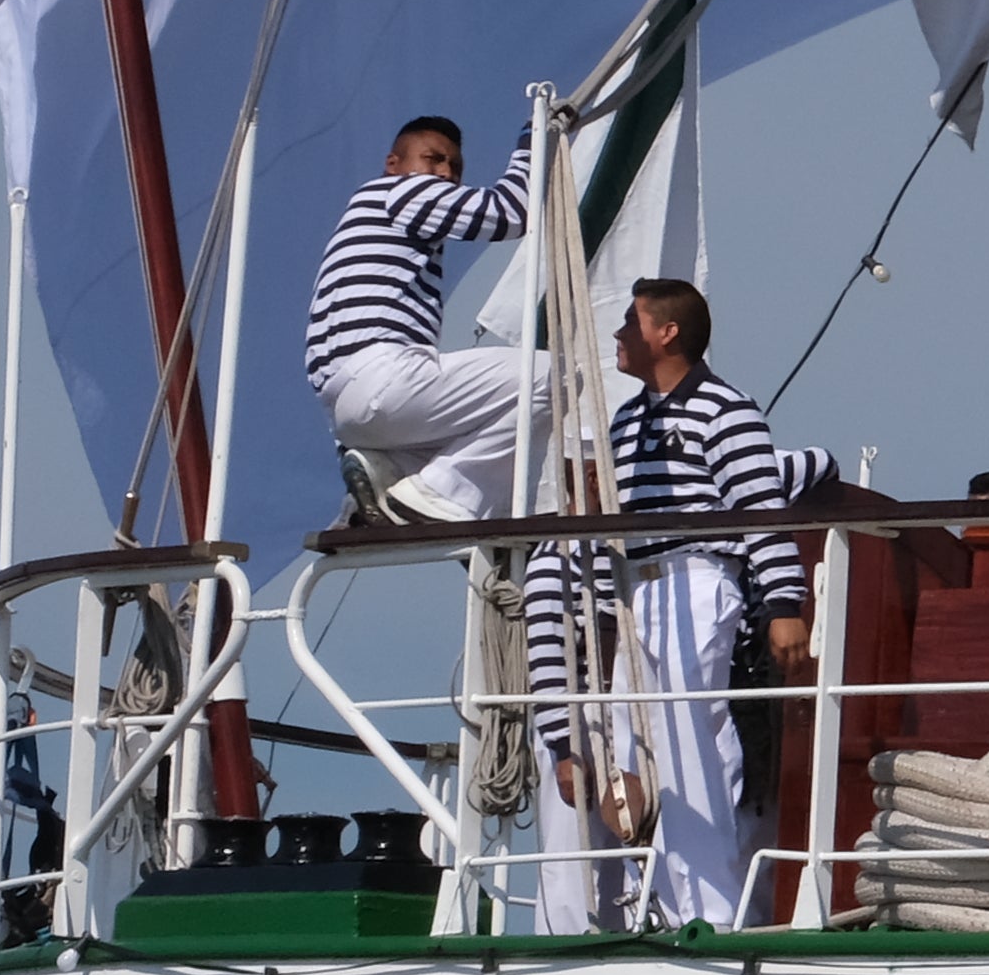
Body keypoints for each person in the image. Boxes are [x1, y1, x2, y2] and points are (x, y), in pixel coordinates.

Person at [576, 278, 811, 931]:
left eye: (631, 323)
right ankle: (651, 903)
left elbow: (759, 504)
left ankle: (709, 913)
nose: (620, 336)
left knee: (690, 745)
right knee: (632, 753)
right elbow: (608, 530)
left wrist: (782, 601)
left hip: (696, 577)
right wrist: (600, 611)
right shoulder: (625, 421)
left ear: (666, 333)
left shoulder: (725, 409)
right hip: (637, 588)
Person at [306, 116, 542, 519]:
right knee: (549, 374)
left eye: (454, 167)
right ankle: (434, 495)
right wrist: (533, 143)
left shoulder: (366, 209)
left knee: (473, 444)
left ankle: (381, 481)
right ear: (394, 163)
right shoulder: (403, 192)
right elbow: (511, 214)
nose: (446, 173)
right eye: (433, 159)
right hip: (384, 379)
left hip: (346, 413)